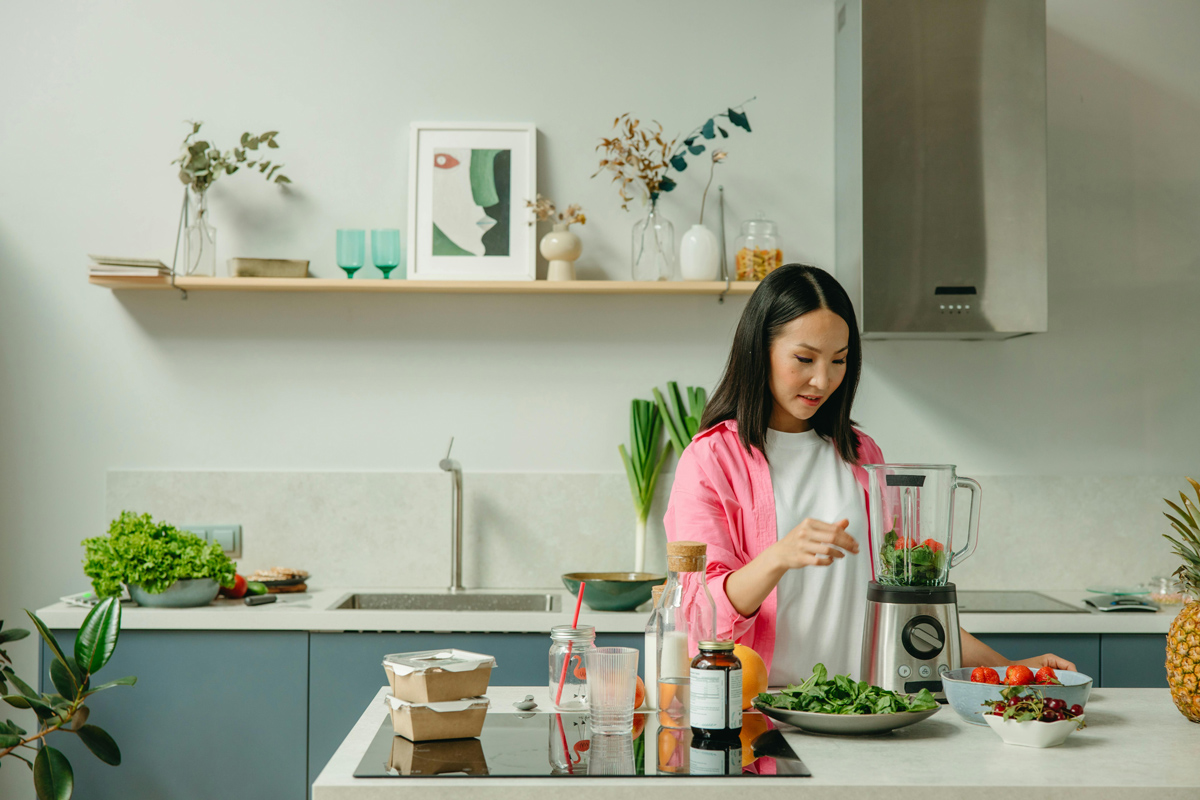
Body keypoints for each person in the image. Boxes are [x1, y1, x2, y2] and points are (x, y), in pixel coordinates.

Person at [664, 264, 1075, 685]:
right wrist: (778, 557)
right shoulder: (711, 461)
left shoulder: (860, 454)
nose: (822, 380)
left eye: (838, 360)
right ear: (759, 349)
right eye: (804, 358)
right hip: (762, 714)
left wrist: (1013, 669)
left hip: (861, 707)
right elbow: (698, 617)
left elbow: (907, 605)